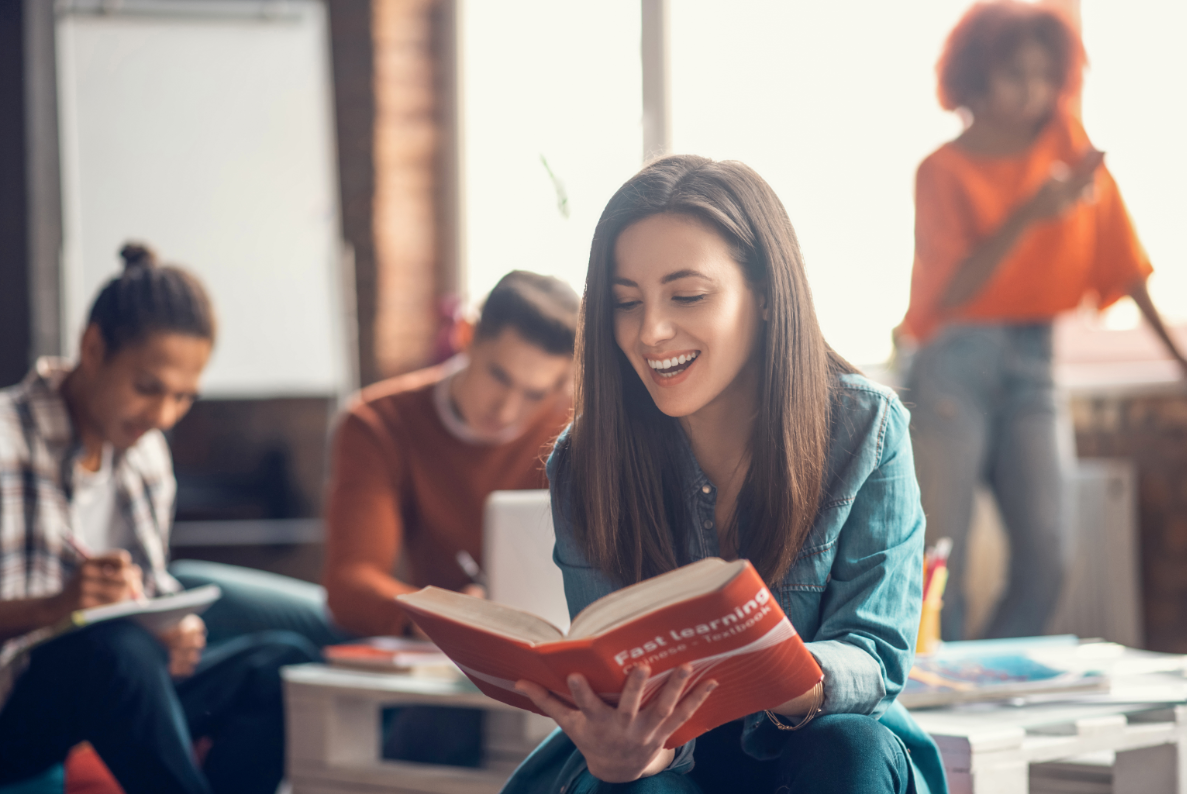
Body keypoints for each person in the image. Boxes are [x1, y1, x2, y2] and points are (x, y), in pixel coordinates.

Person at [501, 156, 946, 794]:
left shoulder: (865, 429)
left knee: (851, 748)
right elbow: (610, 676)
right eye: (626, 303)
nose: (650, 331)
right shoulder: (585, 460)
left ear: (764, 294)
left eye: (687, 295)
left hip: (817, 749)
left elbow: (874, 658)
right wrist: (630, 751)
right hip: (664, 769)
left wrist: (770, 666)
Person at [899, 1, 1187, 642]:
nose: (1032, 90)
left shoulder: (1072, 152)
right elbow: (953, 292)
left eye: (1043, 73)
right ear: (974, 76)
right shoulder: (940, 171)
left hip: (1037, 362)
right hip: (953, 364)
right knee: (940, 561)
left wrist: (1180, 364)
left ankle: (986, 682)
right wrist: (1032, 212)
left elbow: (1128, 270)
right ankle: (939, 705)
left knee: (1049, 555)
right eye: (1013, 73)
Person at [0, 244, 318, 794]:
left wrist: (176, 632)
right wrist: (58, 608)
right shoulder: (6, 439)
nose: (163, 416)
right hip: (17, 713)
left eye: (183, 397)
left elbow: (148, 592)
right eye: (148, 388)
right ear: (92, 347)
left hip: (119, 695)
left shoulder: (145, 453)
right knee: (113, 651)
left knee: (281, 666)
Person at [323, 269, 579, 764]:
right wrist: (443, 616)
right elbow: (349, 583)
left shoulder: (573, 428)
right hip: (429, 639)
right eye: (499, 376)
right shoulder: (378, 421)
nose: (507, 409)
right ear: (465, 336)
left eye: (535, 393)